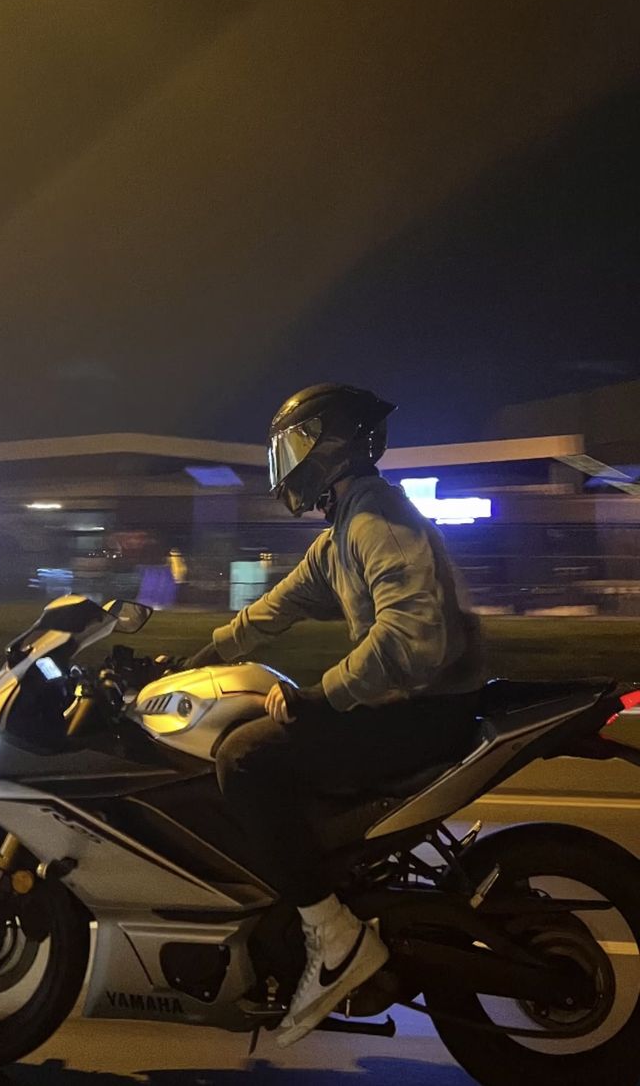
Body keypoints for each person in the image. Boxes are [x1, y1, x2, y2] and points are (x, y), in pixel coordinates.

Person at [185, 383, 486, 1046]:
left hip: (419, 711)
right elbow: (276, 608)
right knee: (258, 729)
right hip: (412, 704)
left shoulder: (378, 519)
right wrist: (194, 658)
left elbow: (412, 633)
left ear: (332, 444)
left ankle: (334, 934)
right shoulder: (348, 525)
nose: (286, 462)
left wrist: (323, 695)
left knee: (244, 759)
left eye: (294, 444)